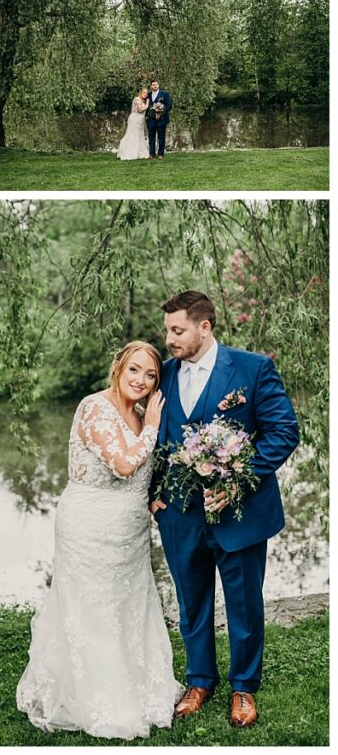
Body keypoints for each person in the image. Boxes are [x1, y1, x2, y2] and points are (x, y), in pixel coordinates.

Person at [150, 291, 299, 728]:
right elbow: (153, 438)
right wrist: (153, 496)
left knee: (244, 605)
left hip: (240, 514)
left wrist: (236, 478)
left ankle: (243, 689)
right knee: (190, 603)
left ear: (205, 327)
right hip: (179, 515)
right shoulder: (165, 376)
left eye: (177, 330)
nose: (170, 339)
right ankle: (200, 681)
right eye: (167, 331)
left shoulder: (252, 369)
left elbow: (283, 431)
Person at [17, 342, 180, 740]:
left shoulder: (142, 412)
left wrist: (157, 493)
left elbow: (144, 472)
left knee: (129, 605)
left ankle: (139, 685)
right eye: (135, 371)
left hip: (130, 530)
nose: (141, 381)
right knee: (93, 608)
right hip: (89, 524)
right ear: (118, 369)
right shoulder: (94, 408)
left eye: (151, 376)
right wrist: (155, 428)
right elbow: (124, 464)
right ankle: (97, 697)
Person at [117, 87, 150, 161]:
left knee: (140, 135)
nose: (145, 94)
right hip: (135, 119)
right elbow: (140, 109)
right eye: (144, 93)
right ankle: (130, 153)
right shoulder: (137, 99)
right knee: (132, 135)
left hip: (141, 120)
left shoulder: (143, 100)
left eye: (146, 93)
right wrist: (147, 104)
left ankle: (140, 153)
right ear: (140, 92)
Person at [146, 80, 173, 160]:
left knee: (161, 137)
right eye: (153, 85)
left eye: (156, 85)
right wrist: (146, 116)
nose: (155, 86)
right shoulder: (148, 95)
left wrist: (161, 110)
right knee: (151, 137)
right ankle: (151, 154)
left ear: (158, 85)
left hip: (161, 119)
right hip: (151, 120)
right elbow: (146, 106)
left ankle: (160, 154)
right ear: (151, 86)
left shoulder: (164, 94)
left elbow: (169, 105)